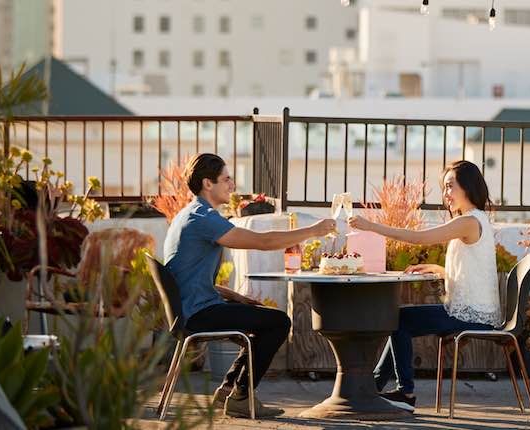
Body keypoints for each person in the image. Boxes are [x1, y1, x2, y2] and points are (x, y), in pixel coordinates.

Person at [164, 153, 335, 417]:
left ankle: (229, 389)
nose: (232, 186)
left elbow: (186, 276)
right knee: (278, 323)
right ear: (208, 183)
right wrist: (313, 230)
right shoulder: (204, 218)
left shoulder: (189, 213)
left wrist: (236, 297)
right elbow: (263, 242)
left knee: (264, 322)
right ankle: (241, 396)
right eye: (226, 179)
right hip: (198, 313)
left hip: (192, 308)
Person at [348, 160, 502, 407]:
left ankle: (404, 393)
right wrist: (439, 269)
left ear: (468, 187)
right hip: (475, 311)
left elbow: (420, 238)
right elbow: (474, 271)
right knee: (399, 319)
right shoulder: (476, 220)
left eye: (450, 187)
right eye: (444, 188)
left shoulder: (468, 222)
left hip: (471, 315)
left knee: (398, 320)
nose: (446, 194)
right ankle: (375, 385)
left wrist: (371, 226)